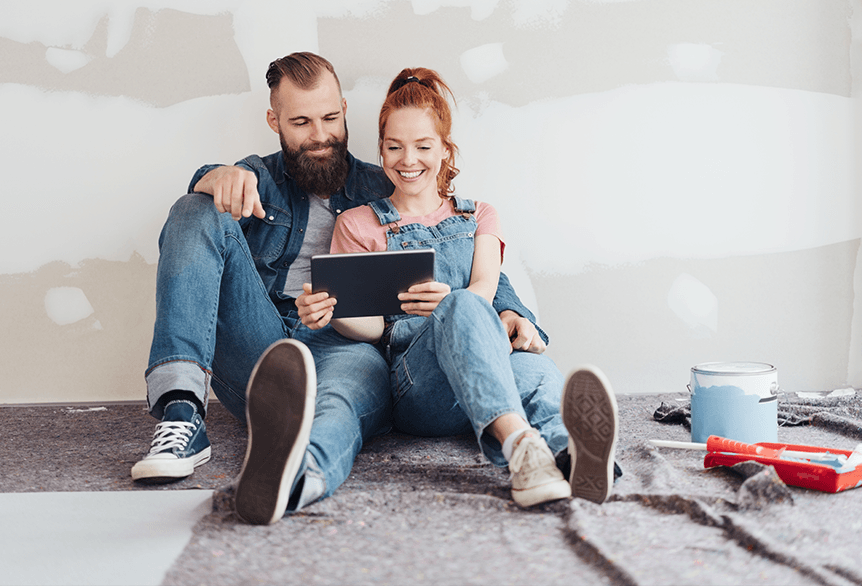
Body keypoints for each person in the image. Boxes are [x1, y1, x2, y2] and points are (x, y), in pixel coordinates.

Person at [131, 52, 551, 525]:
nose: (320, 135)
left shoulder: (387, 183)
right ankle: (181, 414)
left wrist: (516, 313)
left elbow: (464, 246)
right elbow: (211, 195)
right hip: (263, 346)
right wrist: (213, 175)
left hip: (347, 343)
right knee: (195, 208)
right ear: (274, 121)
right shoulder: (258, 179)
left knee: (339, 405)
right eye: (301, 122)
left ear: (346, 110)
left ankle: (295, 478)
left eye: (330, 117)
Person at [302, 67, 620, 507]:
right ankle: (521, 452)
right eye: (394, 147)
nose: (407, 160)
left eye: (422, 146)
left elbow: (486, 289)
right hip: (418, 385)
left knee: (536, 370)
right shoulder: (357, 224)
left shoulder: (479, 216)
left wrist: (483, 314)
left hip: (485, 364)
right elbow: (374, 329)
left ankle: (572, 455)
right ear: (380, 150)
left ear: (446, 151)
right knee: (461, 305)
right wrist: (334, 310)